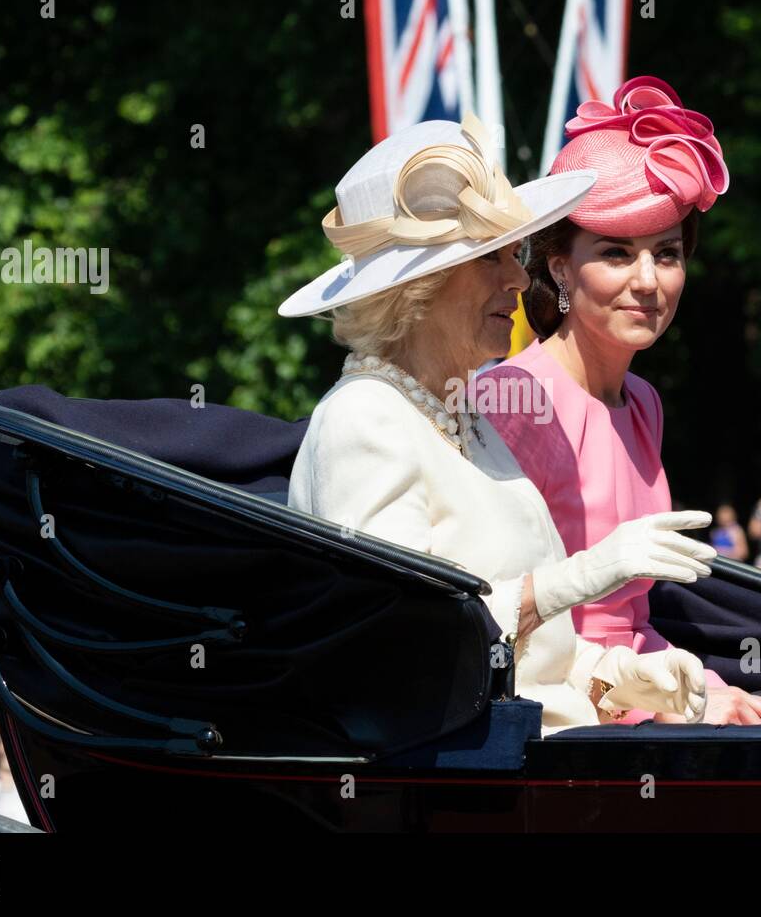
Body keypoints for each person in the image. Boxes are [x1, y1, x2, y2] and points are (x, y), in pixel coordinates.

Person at [279, 114, 716, 734]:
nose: (518, 278)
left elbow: (535, 651)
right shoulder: (362, 419)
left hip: (537, 755)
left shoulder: (466, 419)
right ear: (420, 288)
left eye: (514, 255)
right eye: (493, 259)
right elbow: (403, 638)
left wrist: (618, 676)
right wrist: (579, 576)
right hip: (452, 786)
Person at [475, 75, 761, 726]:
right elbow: (491, 616)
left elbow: (632, 623)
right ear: (561, 267)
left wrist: (711, 692)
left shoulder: (643, 401)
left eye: (667, 254)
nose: (647, 282)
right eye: (617, 254)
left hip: (640, 700)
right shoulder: (514, 398)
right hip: (556, 718)